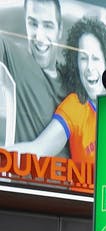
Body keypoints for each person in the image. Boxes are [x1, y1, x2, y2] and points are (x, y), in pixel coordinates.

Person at [9, 17, 106, 162]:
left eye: (95, 58)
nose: (89, 67)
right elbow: (38, 149)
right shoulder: (75, 106)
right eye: (83, 58)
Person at [0, 0, 66, 146]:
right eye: (33, 24)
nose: (40, 37)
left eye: (48, 26)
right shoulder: (13, 56)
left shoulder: (72, 78)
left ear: (59, 30)